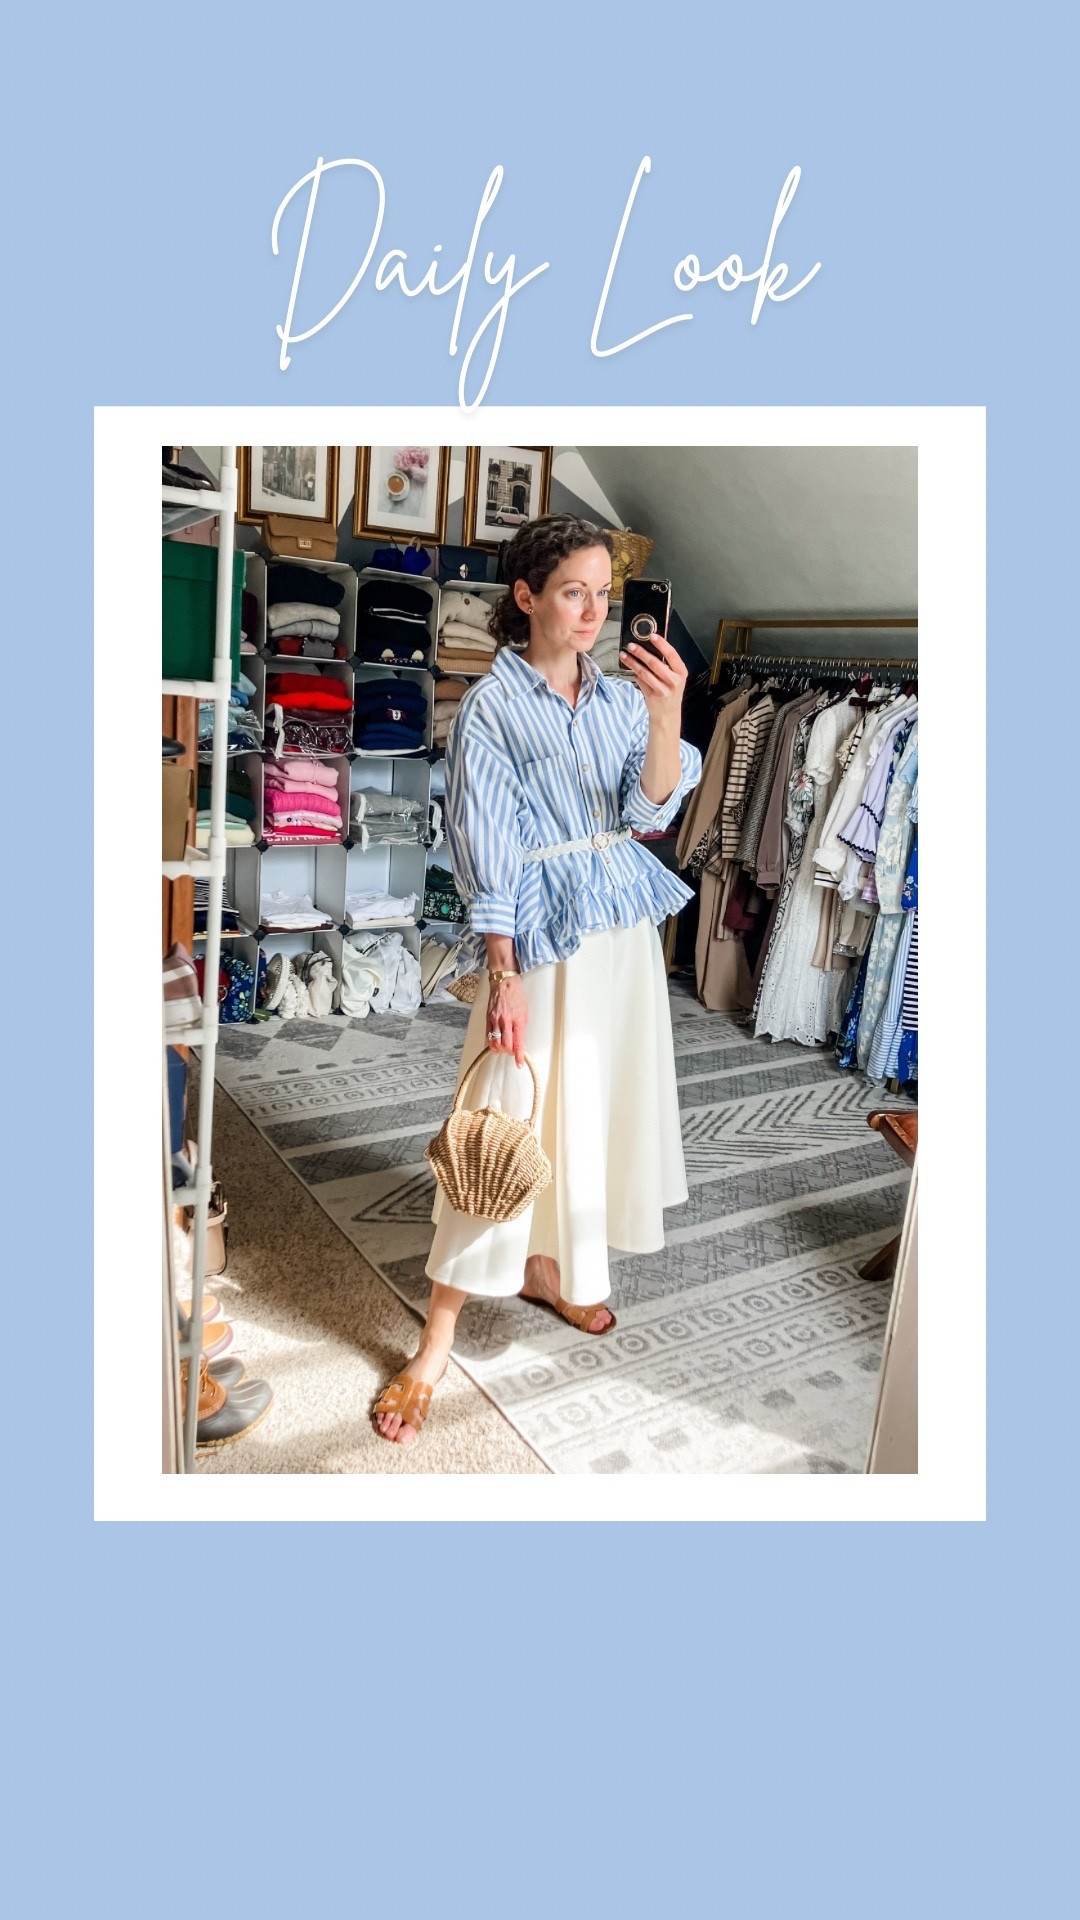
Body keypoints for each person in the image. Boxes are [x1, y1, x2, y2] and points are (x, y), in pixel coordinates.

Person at [373, 515, 703, 1445]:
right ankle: (434, 1346)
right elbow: (485, 846)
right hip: (537, 940)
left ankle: (552, 1269)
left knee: (590, 1113)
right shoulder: (490, 706)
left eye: (604, 592)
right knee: (502, 1122)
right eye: (574, 592)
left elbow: (647, 811)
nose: (596, 611)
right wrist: (501, 972)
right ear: (526, 598)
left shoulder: (619, 697)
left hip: (619, 933)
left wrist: (668, 714)